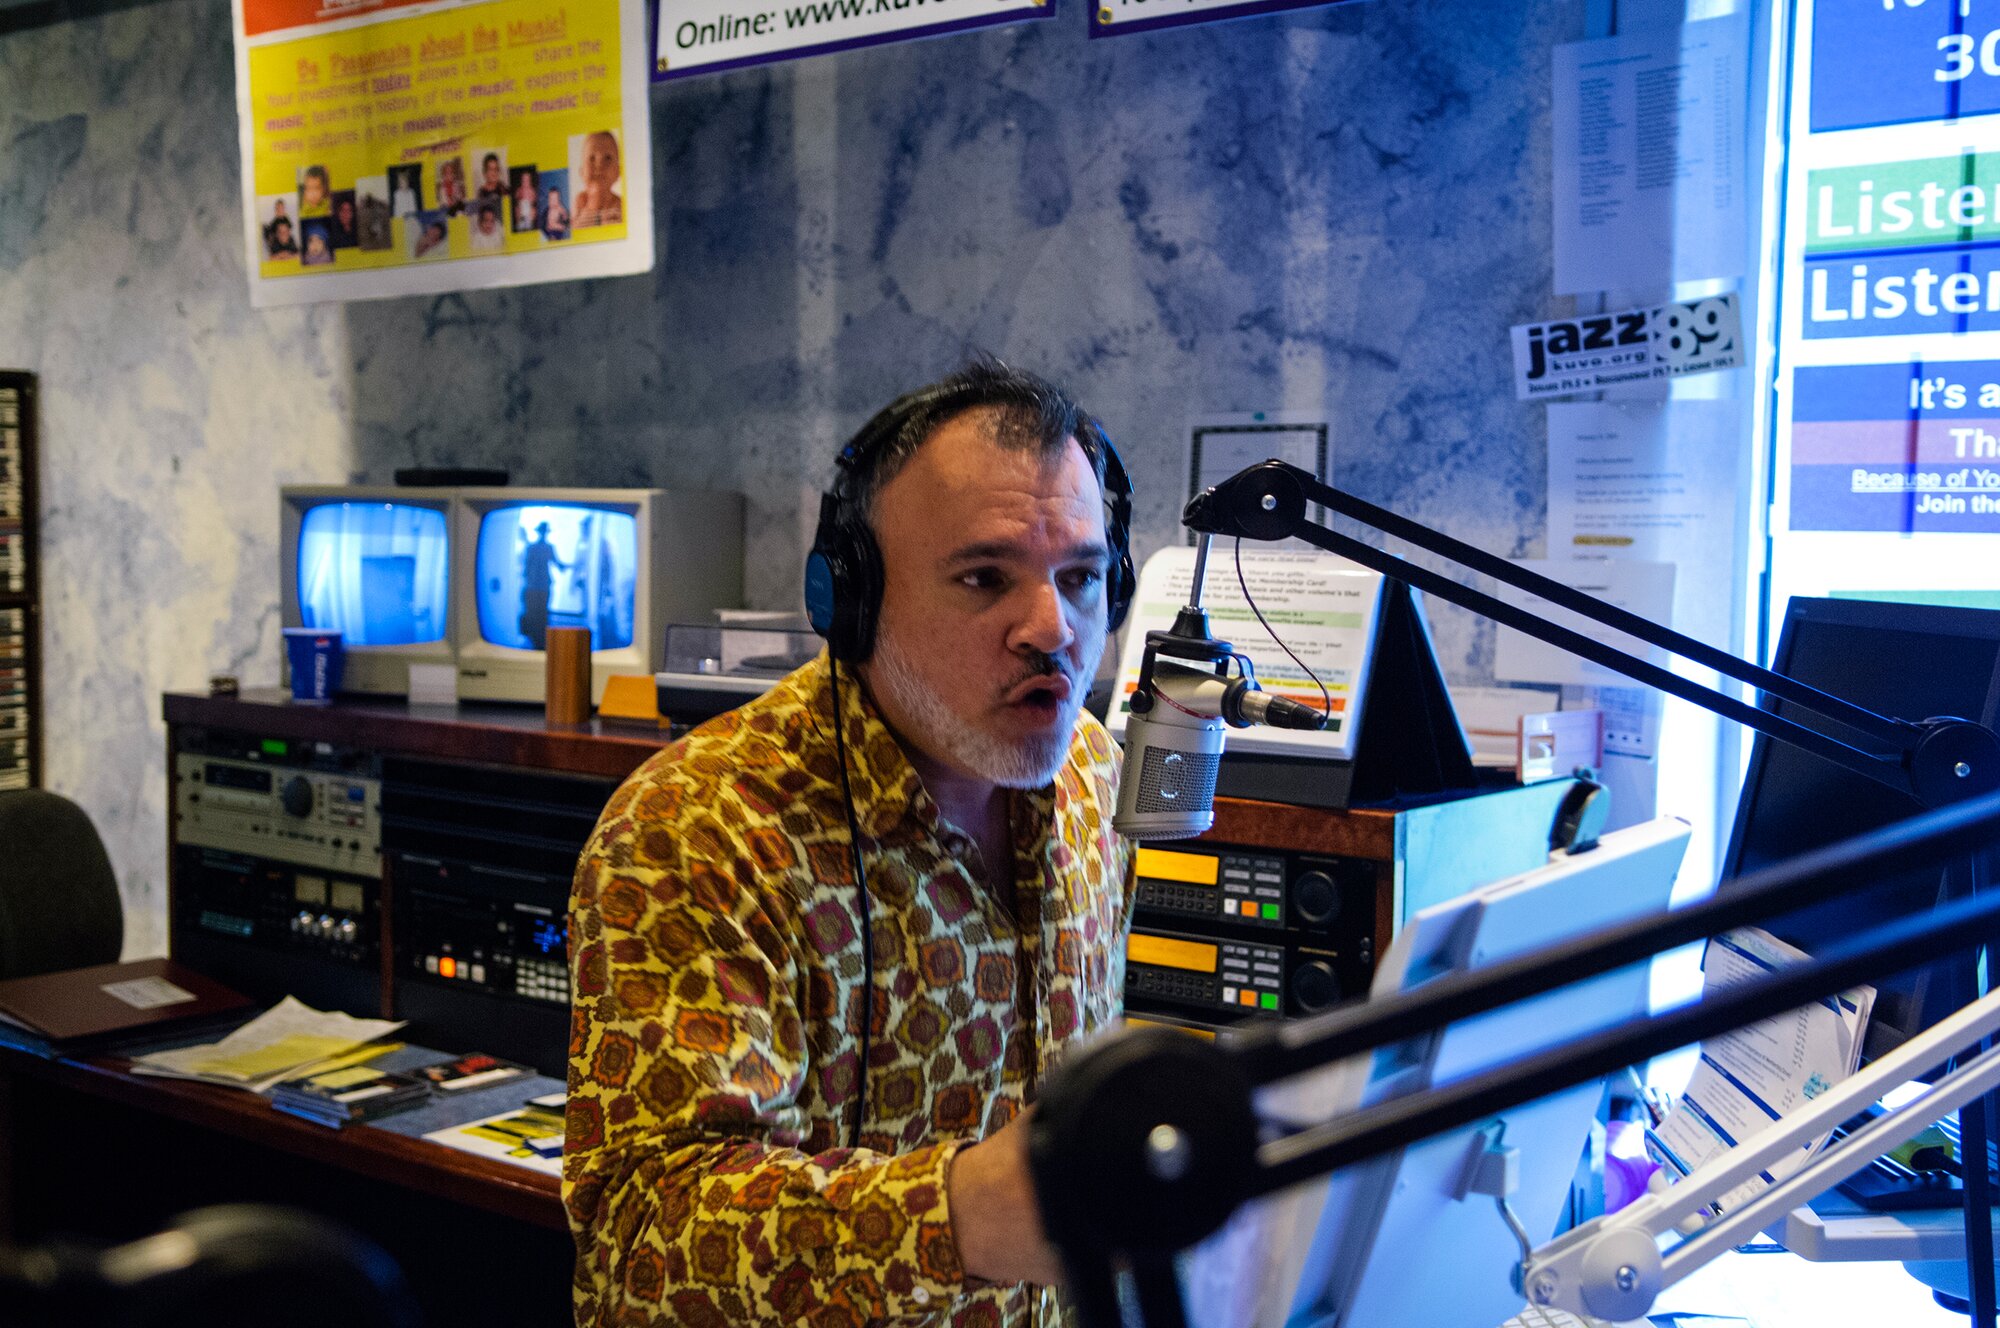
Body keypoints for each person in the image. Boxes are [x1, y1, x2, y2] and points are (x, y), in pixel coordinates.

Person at [566, 361, 1137, 1328]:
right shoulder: (698, 827)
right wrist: (958, 1217)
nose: (1052, 629)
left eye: (1080, 579)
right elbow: (643, 1244)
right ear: (852, 601)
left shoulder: (1091, 774)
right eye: (985, 578)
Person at [518, 520, 567, 648]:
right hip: (536, 586)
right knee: (538, 614)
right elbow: (559, 565)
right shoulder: (538, 548)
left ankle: (539, 643)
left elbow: (526, 569)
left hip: (538, 586)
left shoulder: (535, 547)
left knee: (538, 614)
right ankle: (538, 643)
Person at [571, 130, 622, 227]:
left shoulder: (619, 205)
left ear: (618, 172)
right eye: (591, 158)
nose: (599, 164)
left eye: (607, 158)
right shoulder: (580, 201)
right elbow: (573, 228)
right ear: (581, 172)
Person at [511, 168, 540, 232]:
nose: (525, 182)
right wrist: (518, 206)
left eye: (527, 180)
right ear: (521, 181)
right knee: (520, 225)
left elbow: (535, 200)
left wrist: (533, 206)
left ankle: (528, 228)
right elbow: (516, 198)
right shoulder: (519, 189)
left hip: (529, 210)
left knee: (529, 224)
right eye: (523, 180)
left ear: (530, 180)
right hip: (521, 210)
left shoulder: (532, 190)